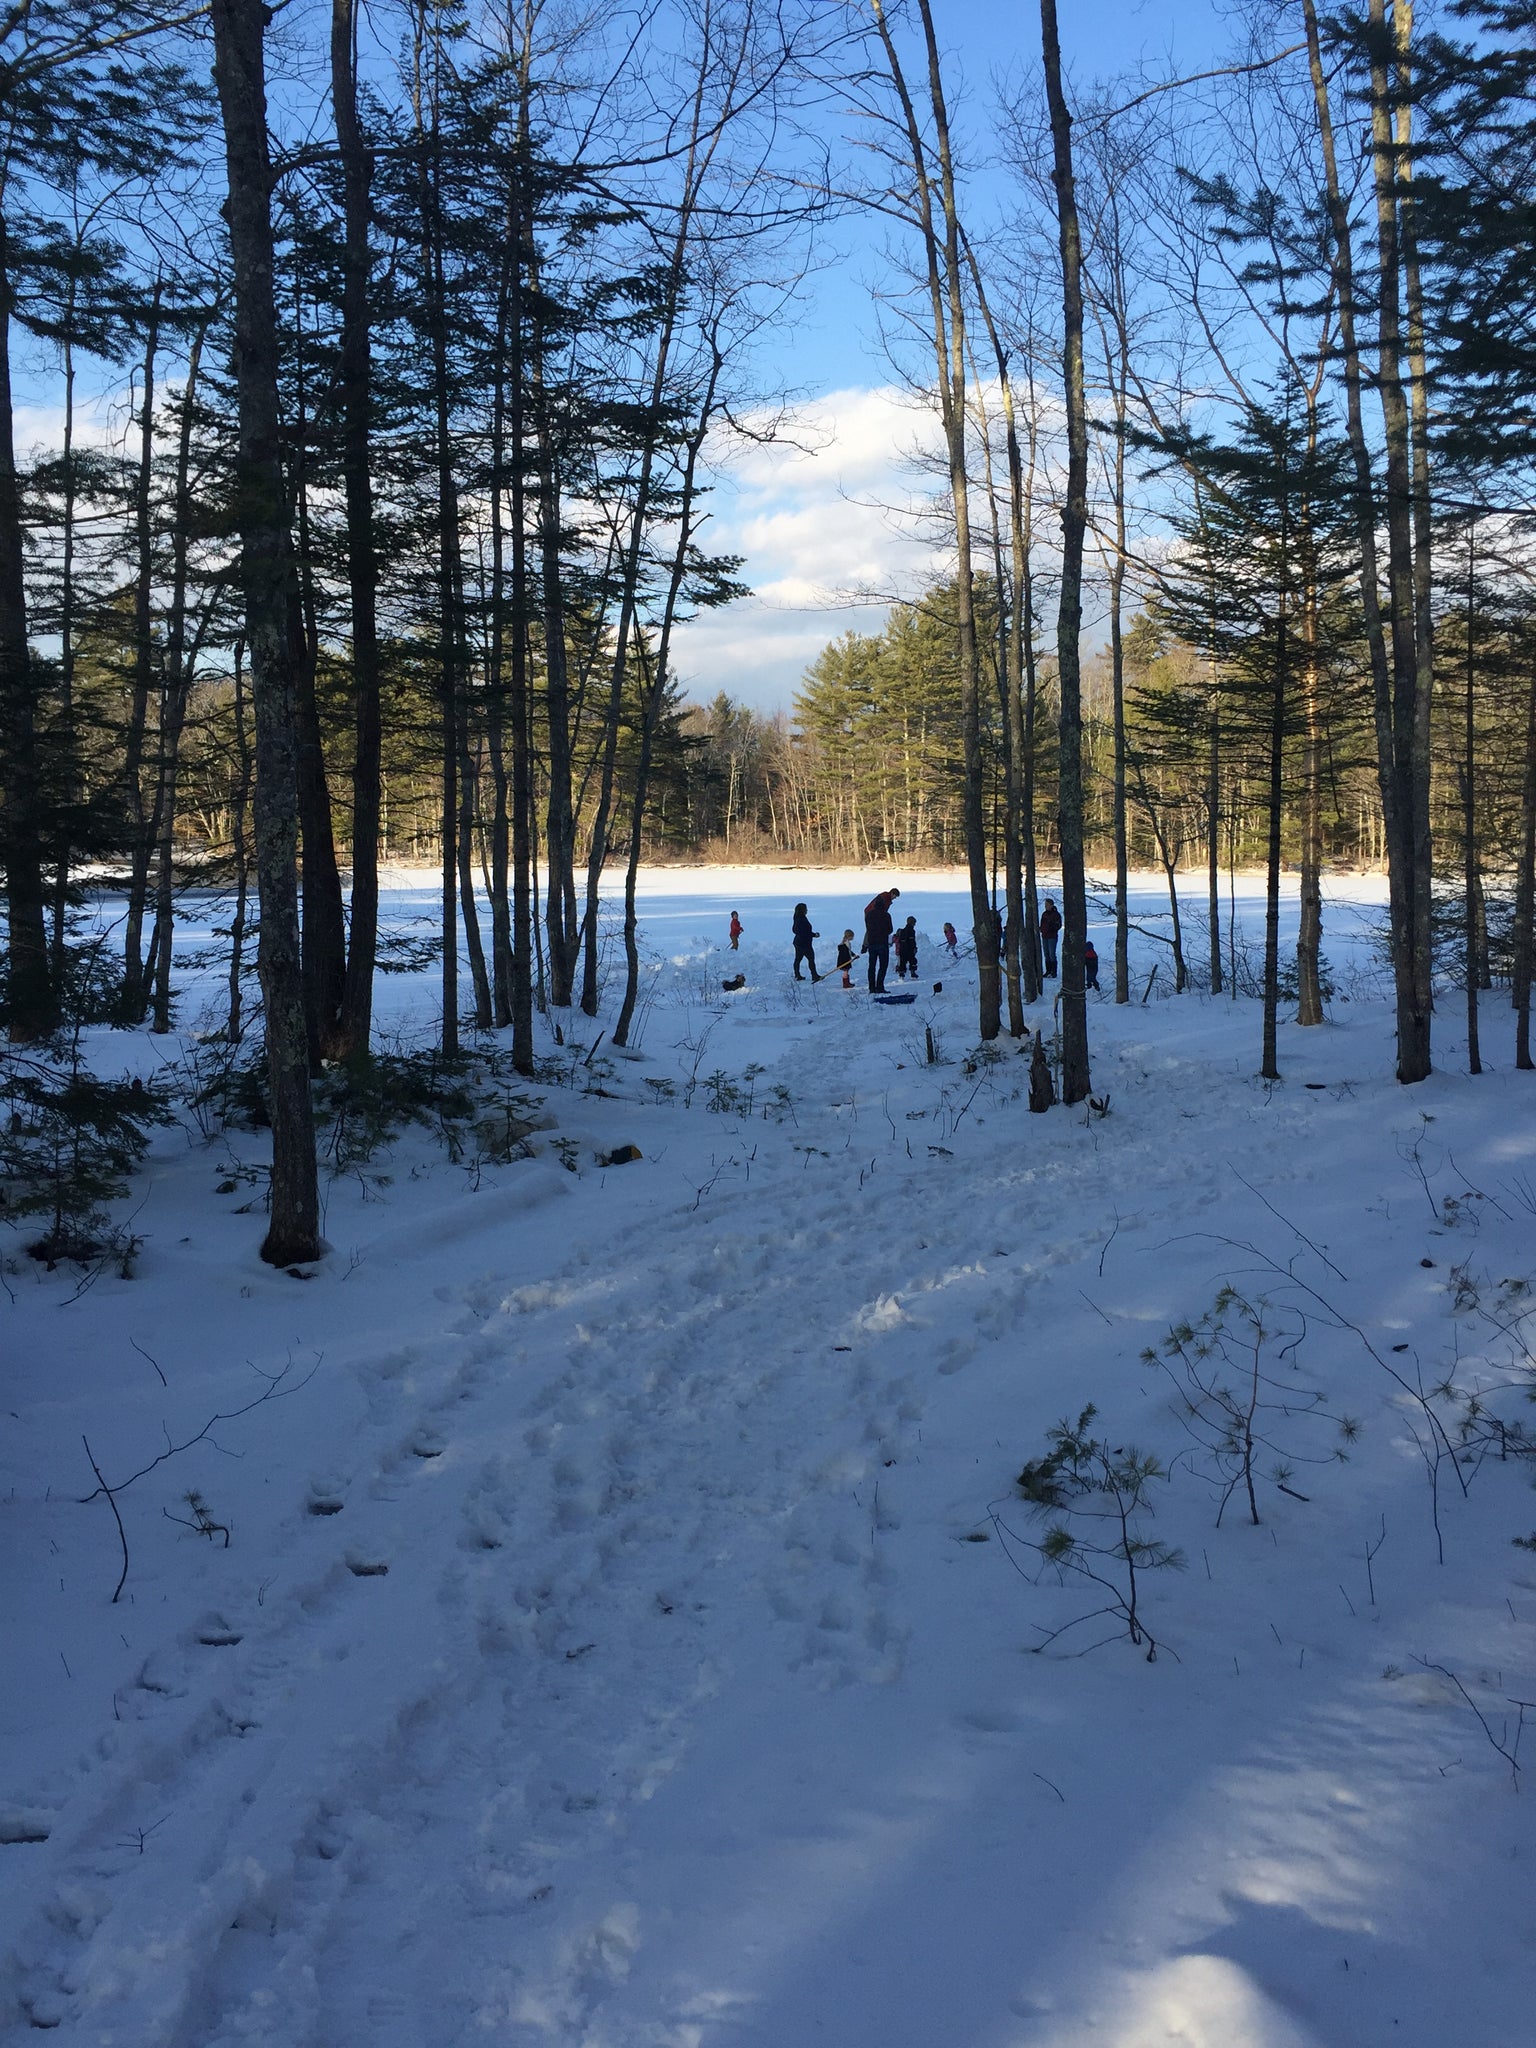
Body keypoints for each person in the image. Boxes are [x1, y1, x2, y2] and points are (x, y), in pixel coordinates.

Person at [863, 886, 900, 993]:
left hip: (872, 943)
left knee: (872, 966)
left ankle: (871, 988)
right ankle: (879, 987)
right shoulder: (886, 915)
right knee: (883, 966)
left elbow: (868, 928)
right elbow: (890, 929)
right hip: (882, 943)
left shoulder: (869, 915)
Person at [792, 903, 822, 982]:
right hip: (804, 943)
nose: (807, 910)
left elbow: (796, 930)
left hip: (798, 942)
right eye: (806, 909)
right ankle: (814, 975)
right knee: (811, 958)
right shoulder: (802, 920)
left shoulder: (797, 918)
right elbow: (805, 932)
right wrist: (814, 935)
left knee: (798, 959)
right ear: (803, 910)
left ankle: (797, 975)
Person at [1040, 896, 1062, 978]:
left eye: (1047, 905)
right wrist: (1041, 929)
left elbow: (1058, 925)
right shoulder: (1044, 914)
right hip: (1045, 936)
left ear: (1051, 905)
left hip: (1052, 936)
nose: (1046, 906)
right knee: (1046, 954)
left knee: (1052, 953)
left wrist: (1051, 927)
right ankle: (1048, 970)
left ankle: (1054, 971)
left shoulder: (1056, 915)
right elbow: (1042, 924)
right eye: (1045, 905)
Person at [895, 915, 918, 979]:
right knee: (912, 960)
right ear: (912, 923)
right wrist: (914, 947)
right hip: (910, 949)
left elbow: (900, 941)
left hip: (903, 949)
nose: (915, 925)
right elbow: (912, 941)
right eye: (914, 923)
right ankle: (913, 972)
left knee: (902, 961)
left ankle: (901, 973)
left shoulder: (902, 931)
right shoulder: (911, 931)